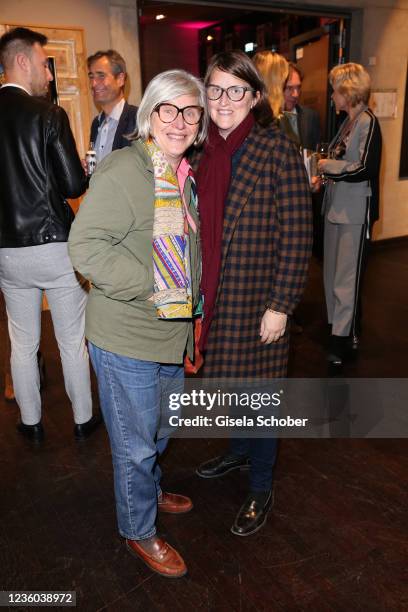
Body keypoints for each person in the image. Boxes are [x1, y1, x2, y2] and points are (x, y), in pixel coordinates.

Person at [68, 69, 207, 578]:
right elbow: (84, 249)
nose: (179, 121)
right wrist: (156, 282)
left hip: (169, 334)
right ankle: (139, 530)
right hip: (126, 337)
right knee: (135, 445)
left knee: (161, 430)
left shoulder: (182, 172)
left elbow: (189, 254)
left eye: (190, 111)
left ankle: (148, 486)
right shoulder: (126, 170)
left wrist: (191, 323)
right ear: (148, 115)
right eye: (168, 109)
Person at [194, 50, 312, 536]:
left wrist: (281, 306)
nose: (224, 100)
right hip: (214, 294)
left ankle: (260, 485)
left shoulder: (275, 150)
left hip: (258, 297)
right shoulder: (198, 152)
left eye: (236, 90)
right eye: (216, 90)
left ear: (256, 97)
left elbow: (299, 235)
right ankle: (239, 451)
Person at [0, 27, 99, 443]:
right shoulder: (48, 115)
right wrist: (81, 167)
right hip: (54, 243)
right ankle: (82, 420)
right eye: (45, 63)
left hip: (7, 249)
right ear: (22, 61)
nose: (50, 74)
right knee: (71, 339)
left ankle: (31, 423)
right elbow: (74, 186)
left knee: (21, 343)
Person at [317, 62, 382, 365]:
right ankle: (339, 331)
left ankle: (341, 342)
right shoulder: (349, 123)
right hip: (335, 210)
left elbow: (364, 168)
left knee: (346, 280)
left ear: (347, 90)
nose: (332, 96)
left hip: (354, 212)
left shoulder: (367, 121)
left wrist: (327, 167)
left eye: (335, 89)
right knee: (332, 277)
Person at [87, 50, 137, 162]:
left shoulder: (138, 119)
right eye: (91, 77)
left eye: (101, 76)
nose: (93, 83)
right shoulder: (96, 123)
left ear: (120, 79)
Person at [283, 62, 320, 151]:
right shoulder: (268, 119)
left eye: (298, 88)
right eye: (289, 88)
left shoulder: (310, 117)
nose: (296, 94)